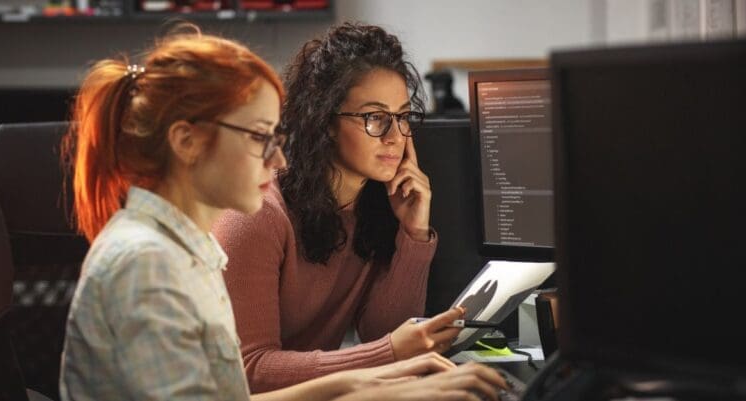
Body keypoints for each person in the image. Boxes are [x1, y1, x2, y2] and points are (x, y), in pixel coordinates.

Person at [58, 24, 508, 401]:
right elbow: (249, 375)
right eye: (259, 138)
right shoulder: (147, 264)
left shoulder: (186, 249)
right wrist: (372, 386)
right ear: (186, 142)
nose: (278, 160)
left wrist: (373, 379)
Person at [212, 22, 466, 392]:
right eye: (375, 117)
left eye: (403, 117)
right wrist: (388, 352)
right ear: (326, 121)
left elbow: (382, 334)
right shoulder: (257, 214)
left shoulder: (375, 202)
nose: (396, 136)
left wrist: (414, 235)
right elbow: (248, 371)